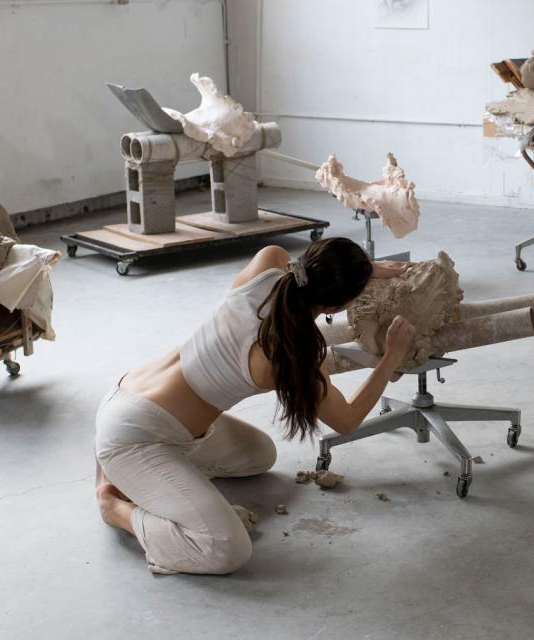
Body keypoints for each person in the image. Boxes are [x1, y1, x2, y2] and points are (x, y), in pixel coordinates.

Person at [93, 238, 416, 575]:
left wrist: (365, 270)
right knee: (226, 548)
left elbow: (302, 273)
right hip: (135, 437)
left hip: (129, 394)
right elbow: (347, 420)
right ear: (335, 308)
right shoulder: (294, 355)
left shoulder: (268, 264)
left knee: (259, 455)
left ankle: (146, 476)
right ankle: (113, 504)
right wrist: (391, 356)